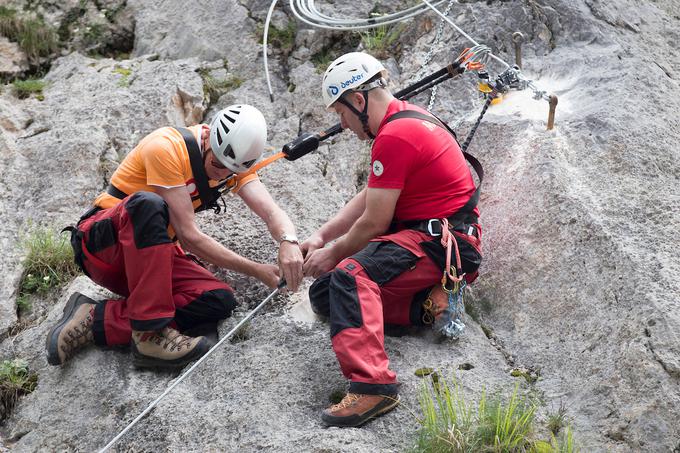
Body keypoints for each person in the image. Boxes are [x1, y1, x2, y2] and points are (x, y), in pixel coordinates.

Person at [46, 104, 303, 369]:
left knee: (216, 299)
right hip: (103, 248)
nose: (222, 173)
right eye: (217, 164)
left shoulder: (234, 164)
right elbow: (189, 237)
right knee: (148, 204)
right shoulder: (166, 148)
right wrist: (256, 270)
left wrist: (289, 241)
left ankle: (97, 318)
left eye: (231, 171)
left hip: (149, 261)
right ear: (209, 139)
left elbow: (271, 212)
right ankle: (148, 335)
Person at [302, 53, 483, 427]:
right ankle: (427, 305)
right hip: (434, 236)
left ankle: (372, 387)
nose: (344, 124)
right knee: (326, 293)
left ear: (357, 100)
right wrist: (322, 235)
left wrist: (333, 253)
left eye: (341, 112)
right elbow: (374, 194)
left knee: (350, 276)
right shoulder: (405, 119)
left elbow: (374, 221)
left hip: (439, 241)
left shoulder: (395, 135)